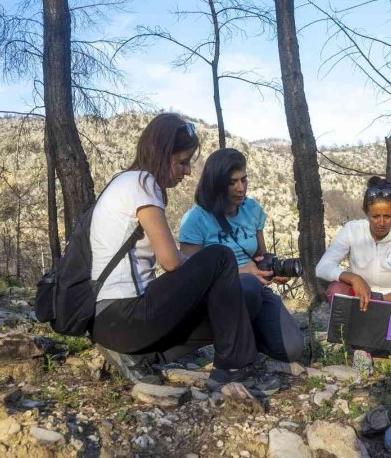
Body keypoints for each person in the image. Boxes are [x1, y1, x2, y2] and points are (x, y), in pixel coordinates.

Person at [90, 113, 278, 396]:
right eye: (182, 161)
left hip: (113, 323)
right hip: (121, 316)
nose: (188, 171)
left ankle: (140, 356)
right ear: (160, 154)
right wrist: (225, 272)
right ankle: (233, 369)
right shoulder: (142, 184)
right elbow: (170, 260)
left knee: (221, 305)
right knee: (220, 257)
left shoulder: (125, 182)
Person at [178, 148, 304, 363]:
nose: (240, 188)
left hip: (254, 292)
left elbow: (259, 255)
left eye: (244, 180)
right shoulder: (195, 220)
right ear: (216, 184)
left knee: (292, 349)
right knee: (247, 285)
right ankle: (231, 352)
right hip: (218, 295)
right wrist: (238, 272)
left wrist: (272, 269)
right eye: (232, 182)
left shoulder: (252, 209)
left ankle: (248, 332)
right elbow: (189, 276)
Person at [316, 177, 391, 364]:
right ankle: (359, 346)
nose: (381, 222)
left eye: (388, 216)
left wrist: (382, 301)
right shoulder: (353, 230)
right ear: (366, 212)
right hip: (360, 302)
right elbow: (322, 267)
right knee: (336, 289)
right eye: (375, 216)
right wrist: (354, 278)